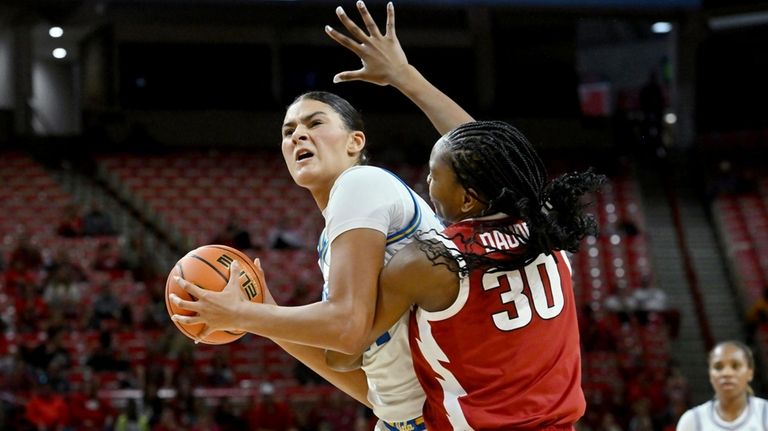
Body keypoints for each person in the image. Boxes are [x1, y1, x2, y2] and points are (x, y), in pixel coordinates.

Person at [171, 1, 473, 429]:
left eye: (314, 123)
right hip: (406, 419)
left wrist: (244, 315)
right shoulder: (337, 237)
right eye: (288, 131)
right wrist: (268, 315)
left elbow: (347, 326)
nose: (298, 135)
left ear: (355, 142)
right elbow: (370, 388)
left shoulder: (361, 183)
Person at [325, 120, 602, 429]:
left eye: (434, 174)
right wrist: (405, 79)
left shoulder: (428, 261)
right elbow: (495, 147)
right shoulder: (550, 235)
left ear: (467, 198)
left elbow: (343, 354)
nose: (427, 180)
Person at [676, 340, 768, 430]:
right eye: (718, 367)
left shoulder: (765, 413)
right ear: (710, 375)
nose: (726, 373)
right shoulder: (692, 420)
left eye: (735, 366)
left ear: (750, 373)